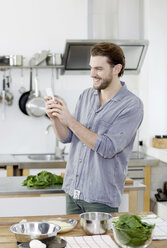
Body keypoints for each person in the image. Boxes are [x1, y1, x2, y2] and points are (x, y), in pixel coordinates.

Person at [45, 42, 143, 214]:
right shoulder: (86, 96)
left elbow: (108, 148)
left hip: (100, 197)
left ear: (116, 69)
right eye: (91, 68)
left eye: (98, 68)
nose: (92, 74)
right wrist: (55, 118)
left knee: (100, 241)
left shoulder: (131, 105)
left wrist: (70, 120)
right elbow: (66, 137)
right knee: (73, 242)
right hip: (73, 191)